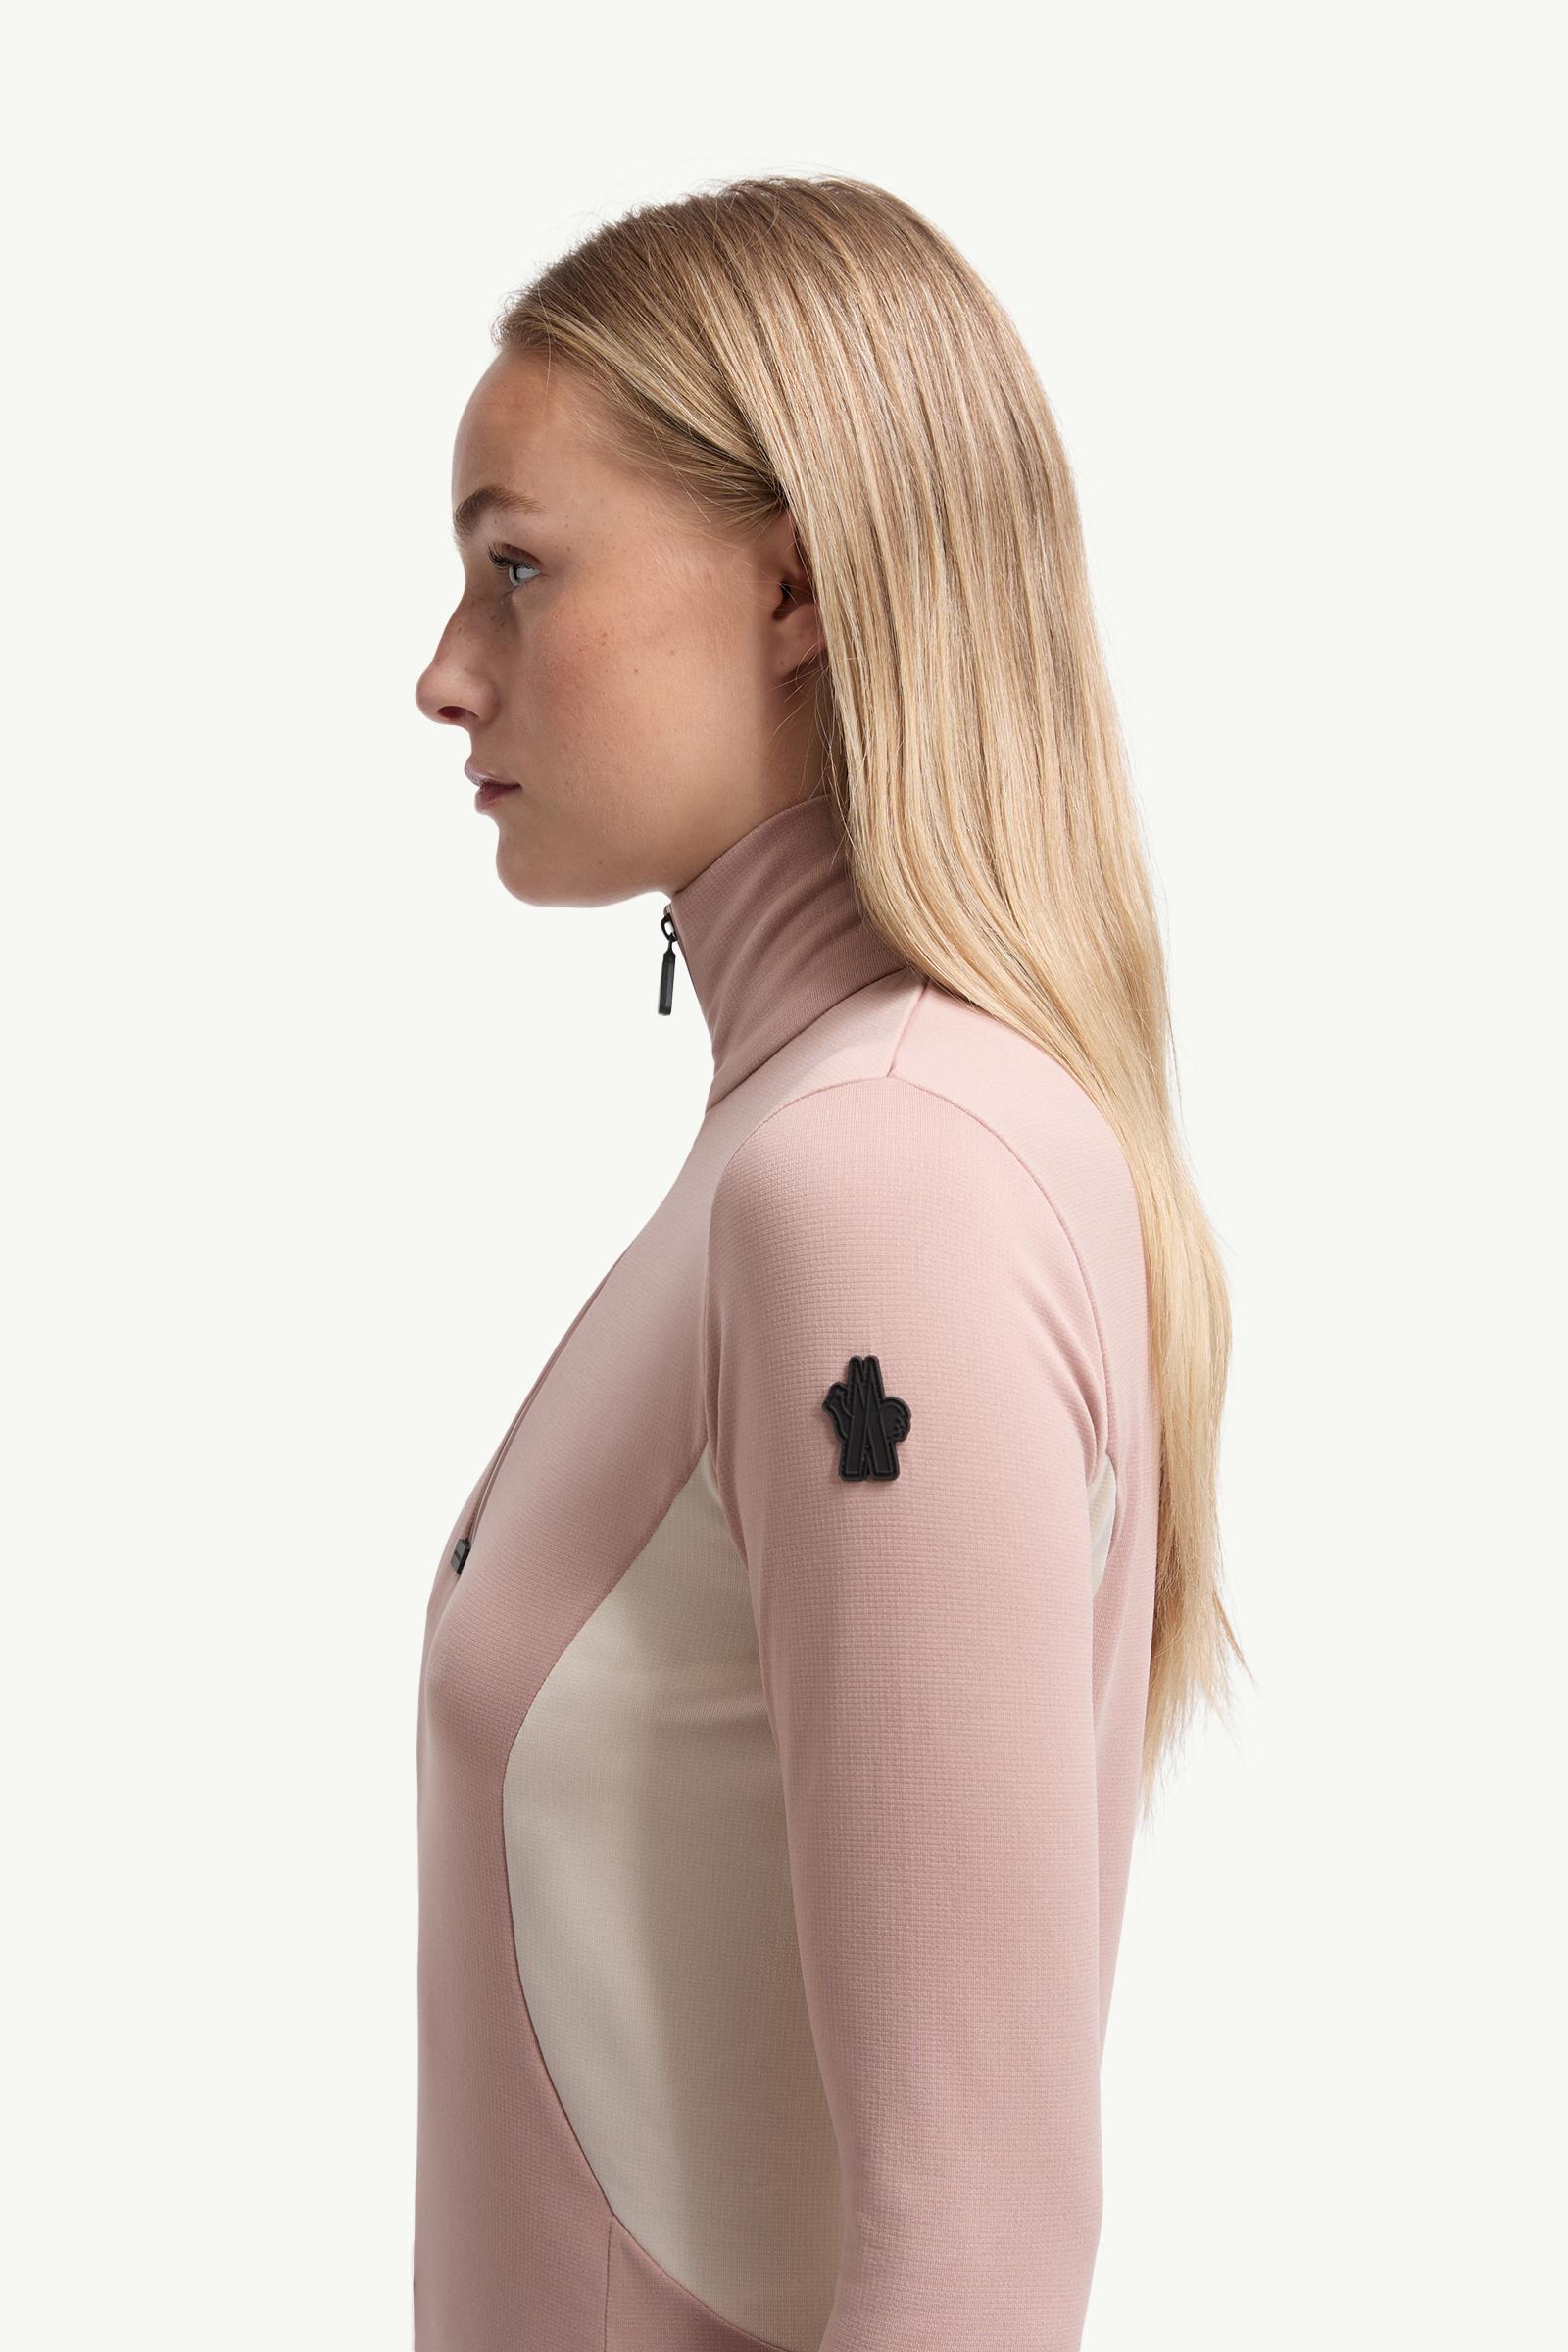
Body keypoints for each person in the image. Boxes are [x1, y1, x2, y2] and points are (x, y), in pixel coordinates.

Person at [412, 172, 1241, 2352]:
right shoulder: (859, 1138)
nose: (443, 674)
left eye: (517, 568)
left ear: (791, 587)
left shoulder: (873, 1181)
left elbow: (979, 2222)